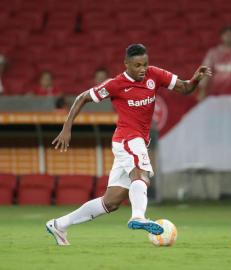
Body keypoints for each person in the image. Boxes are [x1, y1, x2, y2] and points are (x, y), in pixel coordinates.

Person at [46, 44, 212, 246]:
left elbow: (185, 88)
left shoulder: (154, 74)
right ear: (126, 64)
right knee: (142, 173)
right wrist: (66, 127)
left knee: (111, 201)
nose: (142, 69)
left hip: (134, 141)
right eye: (137, 65)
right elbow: (83, 97)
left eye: (145, 64)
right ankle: (138, 217)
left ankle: (59, 225)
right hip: (127, 139)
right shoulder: (116, 84)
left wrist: (195, 79)